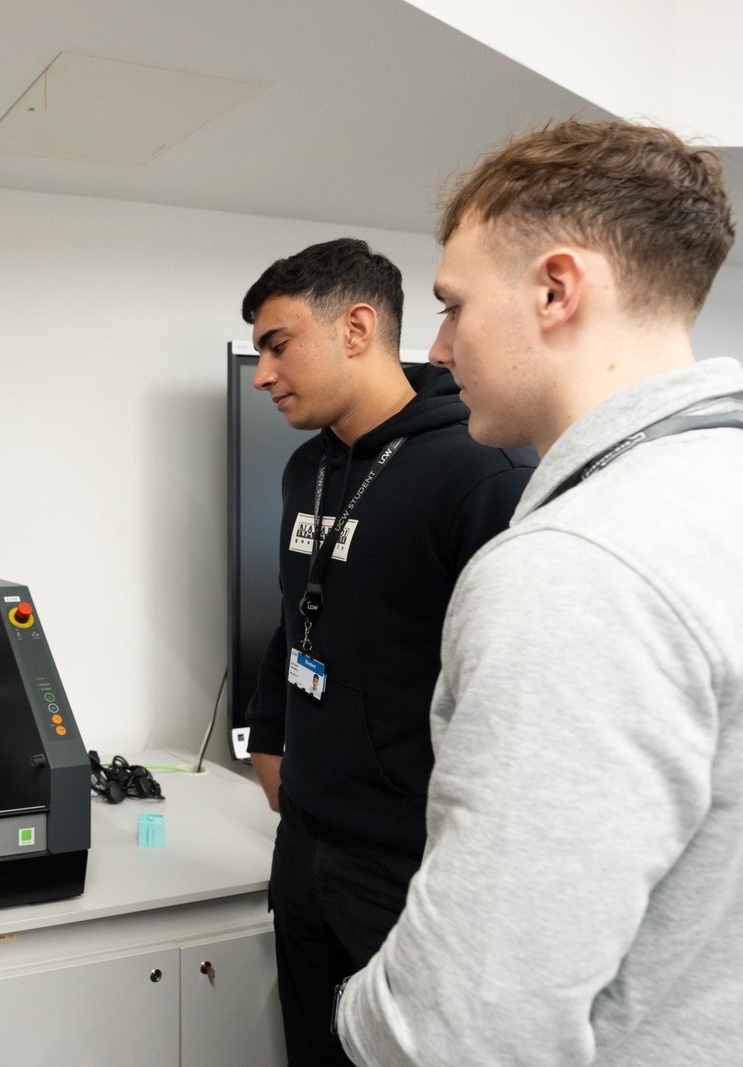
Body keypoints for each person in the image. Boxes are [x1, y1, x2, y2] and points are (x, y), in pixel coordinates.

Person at [336, 121, 743, 1065]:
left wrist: (360, 1007)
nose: (435, 351)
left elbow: (459, 1028)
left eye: (454, 306)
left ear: (556, 289)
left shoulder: (577, 564)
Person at [240, 238, 534, 1064]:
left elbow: (504, 691)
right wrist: (270, 732)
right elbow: (297, 610)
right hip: (304, 839)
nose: (263, 373)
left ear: (358, 327)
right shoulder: (308, 467)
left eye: (278, 344)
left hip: (403, 863)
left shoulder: (482, 474)